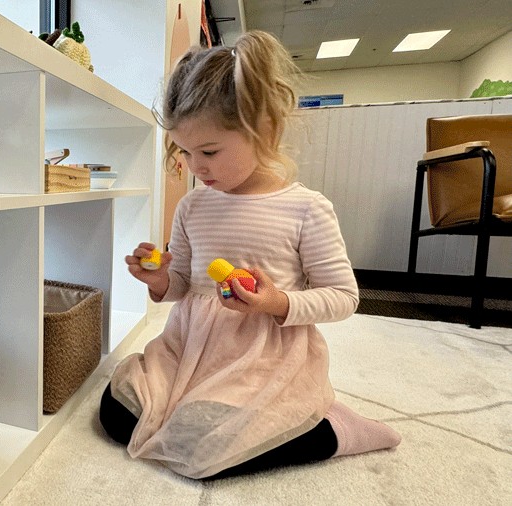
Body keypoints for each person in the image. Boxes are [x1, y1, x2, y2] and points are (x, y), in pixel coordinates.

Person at [99, 30, 401, 480]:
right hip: (188, 348)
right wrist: (160, 279)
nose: (196, 167)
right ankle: (205, 411)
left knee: (204, 447)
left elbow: (343, 296)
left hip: (261, 358)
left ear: (263, 129)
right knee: (116, 414)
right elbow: (182, 282)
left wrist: (276, 302)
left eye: (210, 151)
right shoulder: (193, 205)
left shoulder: (305, 208)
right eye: (185, 151)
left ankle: (335, 430)